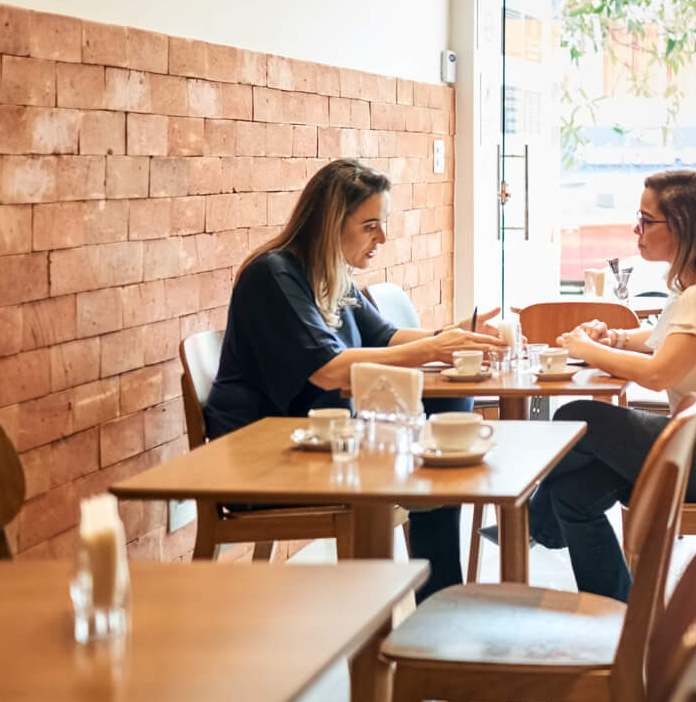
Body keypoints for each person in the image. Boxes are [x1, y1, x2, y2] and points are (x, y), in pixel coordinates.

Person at [204, 158, 505, 597]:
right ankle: (435, 593)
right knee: (433, 446)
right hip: (266, 458)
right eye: (370, 226)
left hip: (319, 441)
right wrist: (436, 349)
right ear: (330, 224)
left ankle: (440, 594)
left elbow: (382, 337)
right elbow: (328, 370)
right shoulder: (274, 276)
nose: (382, 237)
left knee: (446, 413)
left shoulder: (331, 273)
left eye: (382, 224)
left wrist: (453, 335)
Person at [524, 170, 696, 598]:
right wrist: (611, 338)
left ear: (684, 227)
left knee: (578, 416)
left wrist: (584, 347)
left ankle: (526, 523)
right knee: (576, 491)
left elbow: (658, 373)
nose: (636, 230)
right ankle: (619, 616)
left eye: (646, 221)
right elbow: (664, 342)